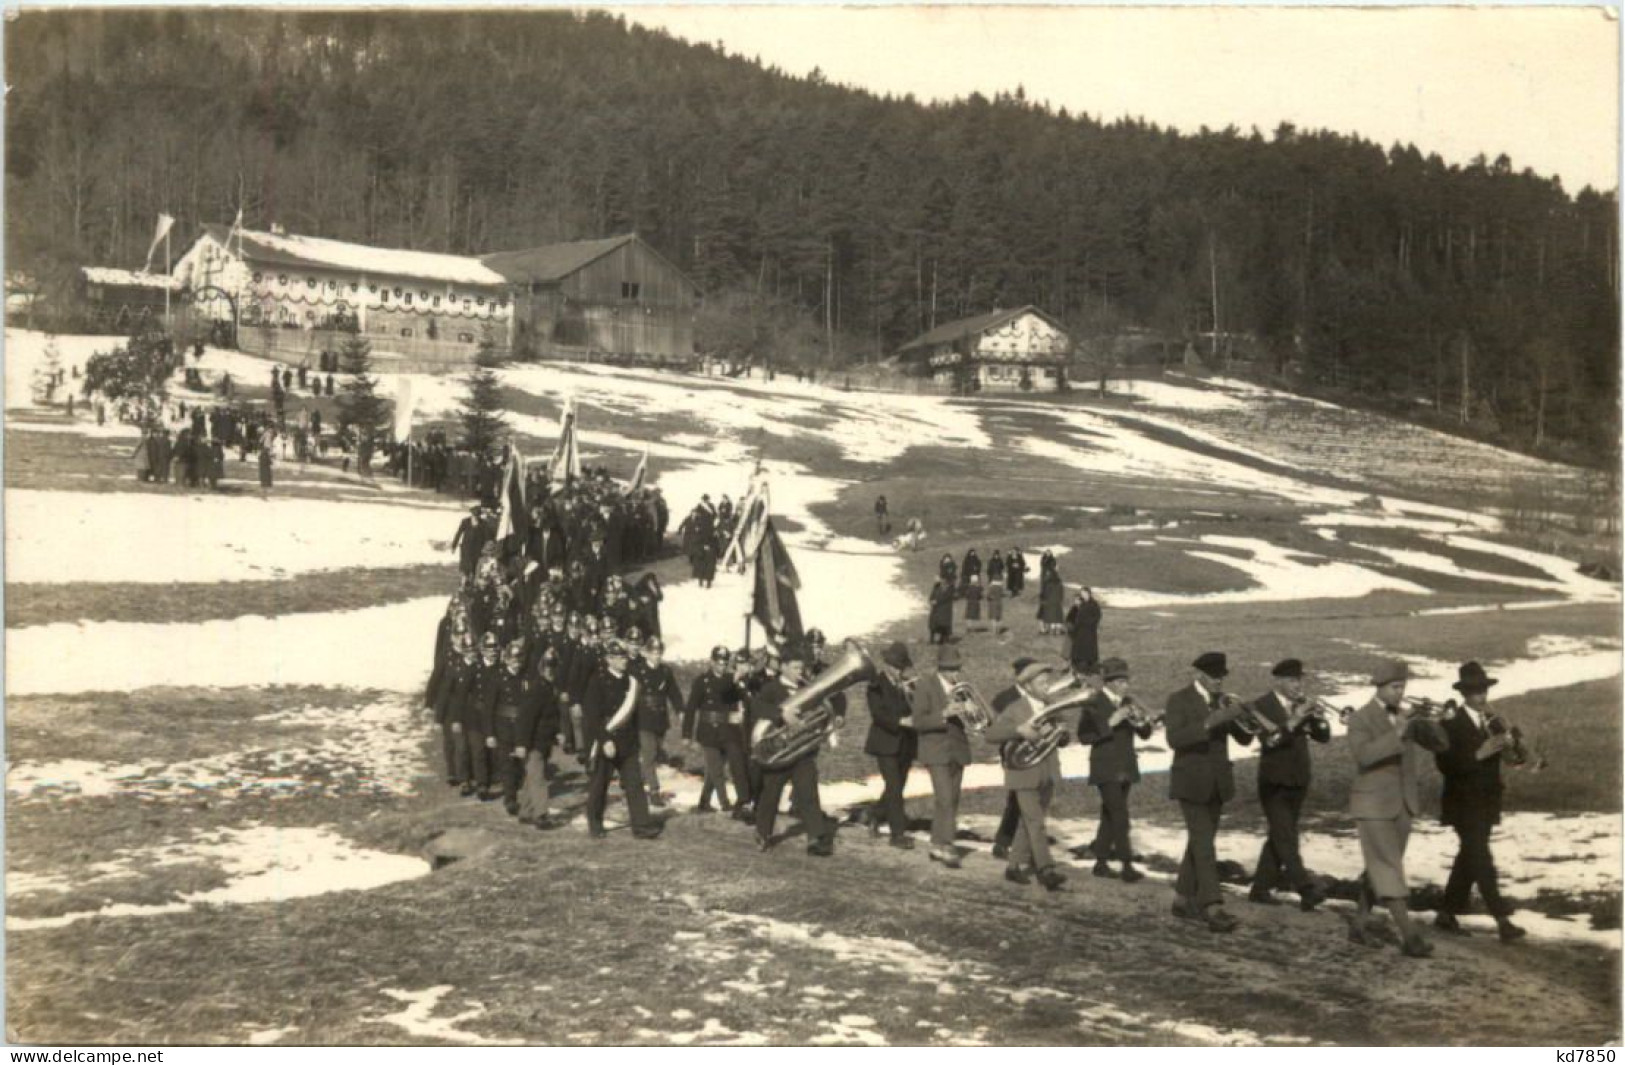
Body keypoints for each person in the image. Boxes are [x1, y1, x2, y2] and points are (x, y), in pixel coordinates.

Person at [1348, 659, 1448, 957]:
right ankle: (1409, 937)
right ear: (1379, 688)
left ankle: (1358, 924)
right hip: (1373, 804)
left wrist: (1435, 721)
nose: (1399, 693)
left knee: (1380, 865)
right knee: (1388, 866)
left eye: (1402, 686)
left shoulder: (1405, 716)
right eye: (1394, 687)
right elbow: (1364, 756)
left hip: (1403, 804)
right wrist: (1399, 732)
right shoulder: (1360, 718)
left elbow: (1441, 746)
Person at [1433, 661, 1526, 942]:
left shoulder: (1494, 721)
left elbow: (1514, 761)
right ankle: (1502, 919)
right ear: (1464, 693)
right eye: (1474, 692)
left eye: (1484, 690)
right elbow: (1445, 764)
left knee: (1470, 856)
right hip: (1462, 803)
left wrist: (1513, 747)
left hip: (1487, 800)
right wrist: (1479, 753)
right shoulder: (1449, 723)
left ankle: (1446, 913)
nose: (1481, 697)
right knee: (1481, 857)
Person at [1165, 651, 1254, 933]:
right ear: (1199, 675)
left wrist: (1245, 716)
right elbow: (1174, 739)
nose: (1219, 681)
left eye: (1222, 677)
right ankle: (1212, 905)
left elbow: (1244, 737)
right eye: (1215, 677)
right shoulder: (1178, 699)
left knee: (1200, 841)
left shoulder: (1222, 700)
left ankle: (1181, 898)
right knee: (1204, 844)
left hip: (1217, 783)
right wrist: (1212, 721)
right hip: (1190, 782)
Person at [1248, 659, 1330, 910]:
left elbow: (1323, 737)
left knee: (1279, 835)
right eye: (1293, 681)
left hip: (1298, 779)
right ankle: (1304, 887)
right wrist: (1293, 721)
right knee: (1286, 835)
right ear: (1279, 681)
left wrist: (1318, 718)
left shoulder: (1300, 704)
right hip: (1273, 781)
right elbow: (1269, 741)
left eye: (1299, 680)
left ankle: (1260, 888)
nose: (1298, 685)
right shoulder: (1261, 706)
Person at [983, 661, 1069, 892]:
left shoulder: (1051, 706)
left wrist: (1060, 734)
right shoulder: (1015, 708)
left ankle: (1013, 867)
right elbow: (990, 734)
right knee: (1035, 822)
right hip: (1022, 773)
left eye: (1047, 682)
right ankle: (1045, 869)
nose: (1046, 686)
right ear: (1028, 686)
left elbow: (1064, 738)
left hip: (1046, 772)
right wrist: (1019, 730)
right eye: (1041, 683)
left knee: (1027, 821)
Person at [751, 653, 836, 857]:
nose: (801, 672)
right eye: (796, 668)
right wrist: (781, 714)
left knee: (808, 793)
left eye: (801, 668)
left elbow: (822, 711)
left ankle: (815, 838)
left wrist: (827, 724)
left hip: (802, 751)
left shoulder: (806, 689)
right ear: (784, 667)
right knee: (771, 793)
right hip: (778, 751)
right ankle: (763, 833)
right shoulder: (771, 688)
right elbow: (755, 707)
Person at [1074, 658, 1151, 882]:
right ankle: (1126, 864)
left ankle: (1100, 862)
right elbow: (1084, 737)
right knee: (1119, 814)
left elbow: (1144, 734)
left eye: (1125, 680)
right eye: (1119, 681)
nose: (1125, 685)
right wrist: (1111, 723)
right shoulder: (1094, 702)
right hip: (1105, 766)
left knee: (1110, 814)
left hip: (1126, 765)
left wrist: (1143, 722)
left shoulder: (1128, 701)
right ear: (1108, 683)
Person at [582, 639, 662, 840]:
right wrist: (605, 739)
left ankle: (642, 826)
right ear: (609, 659)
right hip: (607, 740)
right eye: (619, 657)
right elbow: (592, 715)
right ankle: (595, 822)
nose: (624, 660)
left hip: (628, 741)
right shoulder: (597, 681)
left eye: (625, 656)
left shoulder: (632, 682)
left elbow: (637, 714)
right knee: (600, 785)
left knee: (635, 784)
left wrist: (639, 739)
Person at [911, 644, 974, 868]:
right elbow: (918, 721)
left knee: (950, 801)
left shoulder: (962, 688)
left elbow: (975, 718)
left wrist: (971, 710)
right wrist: (944, 714)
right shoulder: (926, 685)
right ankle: (947, 846)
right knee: (946, 798)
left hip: (957, 750)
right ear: (941, 669)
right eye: (951, 669)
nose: (956, 673)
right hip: (935, 750)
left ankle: (937, 844)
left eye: (957, 668)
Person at [863, 641, 918, 848]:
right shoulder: (875, 684)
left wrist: (913, 695)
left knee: (897, 785)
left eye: (901, 668)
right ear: (887, 665)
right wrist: (901, 721)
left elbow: (916, 708)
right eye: (895, 667)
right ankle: (897, 835)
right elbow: (878, 714)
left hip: (906, 743)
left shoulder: (907, 684)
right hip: (885, 742)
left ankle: (875, 814)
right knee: (895, 788)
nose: (899, 671)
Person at [685, 646, 750, 813]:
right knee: (716, 768)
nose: (722, 665)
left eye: (725, 662)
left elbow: (742, 698)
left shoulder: (732, 680)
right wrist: (687, 734)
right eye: (718, 661)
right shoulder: (702, 681)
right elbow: (691, 707)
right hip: (708, 731)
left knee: (723, 766)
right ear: (712, 661)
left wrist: (742, 681)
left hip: (728, 730)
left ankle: (704, 801)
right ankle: (724, 802)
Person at [632, 636, 684, 808]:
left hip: (660, 719)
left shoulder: (665, 672)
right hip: (643, 718)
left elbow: (674, 693)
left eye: (659, 653)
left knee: (652, 754)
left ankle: (634, 783)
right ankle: (654, 791)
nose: (656, 656)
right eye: (653, 652)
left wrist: (681, 711)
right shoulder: (638, 671)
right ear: (646, 653)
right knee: (649, 754)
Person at [1064, 588, 1103, 672]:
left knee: (1089, 649)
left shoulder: (1093, 604)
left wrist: (1089, 623)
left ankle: (1089, 666)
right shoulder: (1082, 604)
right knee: (1078, 650)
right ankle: (1077, 666)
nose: (1082, 595)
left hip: (1089, 631)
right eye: (1081, 593)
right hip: (1080, 630)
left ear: (1088, 593)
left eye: (1084, 593)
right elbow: (1076, 616)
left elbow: (1097, 616)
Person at [1037, 555, 1065, 634]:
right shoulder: (1057, 579)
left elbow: (1045, 589)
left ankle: (1047, 629)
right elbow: (1060, 591)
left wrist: (1043, 598)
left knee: (1046, 614)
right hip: (1055, 600)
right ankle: (1055, 630)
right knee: (1056, 615)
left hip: (1048, 599)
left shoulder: (1047, 576)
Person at [927, 577, 955, 645]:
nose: (943, 584)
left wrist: (936, 602)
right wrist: (931, 601)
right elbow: (931, 597)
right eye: (942, 583)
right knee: (933, 625)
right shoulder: (937, 589)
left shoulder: (949, 590)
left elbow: (945, 599)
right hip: (936, 610)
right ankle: (932, 639)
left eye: (945, 583)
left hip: (944, 611)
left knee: (943, 626)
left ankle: (943, 639)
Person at [985, 572, 1006, 638]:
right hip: (999, 603)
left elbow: (988, 596)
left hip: (993, 603)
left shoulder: (991, 587)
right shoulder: (1000, 587)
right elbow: (1003, 594)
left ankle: (994, 631)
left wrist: (989, 597)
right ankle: (998, 630)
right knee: (998, 618)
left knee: (993, 618)